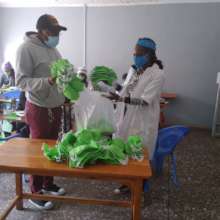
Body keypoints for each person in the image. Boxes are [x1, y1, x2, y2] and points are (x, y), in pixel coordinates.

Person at [16, 14, 67, 210]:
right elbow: (21, 82)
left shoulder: (53, 49)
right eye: (54, 32)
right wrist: (49, 81)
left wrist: (68, 82)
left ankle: (48, 183)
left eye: (58, 32)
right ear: (42, 31)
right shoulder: (26, 49)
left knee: (52, 147)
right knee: (37, 150)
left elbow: (59, 76)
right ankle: (34, 192)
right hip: (38, 107)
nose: (57, 36)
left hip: (55, 106)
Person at [103, 38, 165, 193]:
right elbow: (126, 89)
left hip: (143, 119)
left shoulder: (157, 74)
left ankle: (140, 186)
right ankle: (126, 183)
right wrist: (112, 85)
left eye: (139, 54)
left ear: (149, 54)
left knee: (139, 153)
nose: (135, 56)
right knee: (124, 150)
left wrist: (121, 98)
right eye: (134, 53)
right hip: (126, 115)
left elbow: (145, 100)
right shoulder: (134, 70)